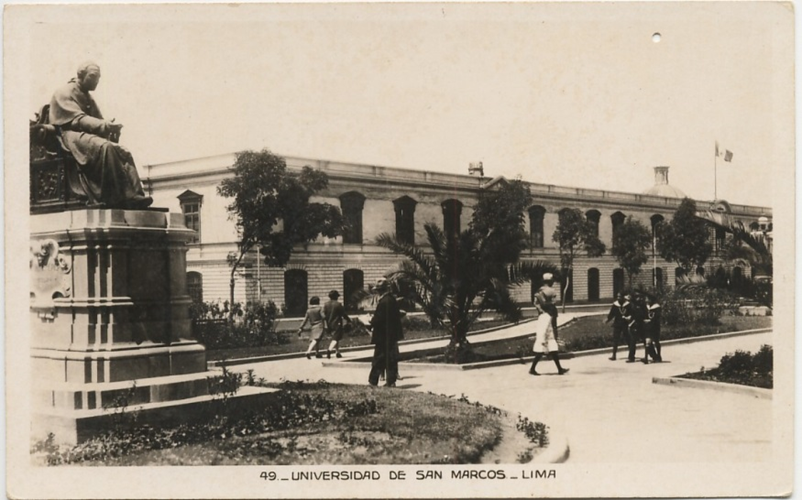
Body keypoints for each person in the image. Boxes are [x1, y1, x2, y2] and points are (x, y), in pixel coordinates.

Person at [49, 62, 152, 209]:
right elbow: (79, 119)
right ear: (81, 75)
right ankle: (116, 197)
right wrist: (104, 125)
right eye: (92, 76)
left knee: (124, 152)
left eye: (98, 77)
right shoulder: (64, 92)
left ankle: (135, 195)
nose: (96, 80)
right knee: (106, 148)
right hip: (68, 135)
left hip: (84, 134)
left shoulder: (87, 96)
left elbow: (98, 120)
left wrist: (109, 128)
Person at [528, 273, 569, 376]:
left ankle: (559, 369)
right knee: (546, 341)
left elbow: (536, 303)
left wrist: (541, 310)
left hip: (542, 317)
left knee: (548, 343)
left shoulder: (538, 292)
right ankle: (533, 369)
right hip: (549, 318)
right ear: (550, 281)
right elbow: (553, 303)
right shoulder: (552, 291)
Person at [368, 278, 403, 387]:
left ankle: (373, 381)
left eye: (378, 290)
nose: (377, 293)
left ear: (380, 291)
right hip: (391, 335)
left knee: (378, 358)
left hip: (383, 335)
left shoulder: (383, 302)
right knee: (391, 359)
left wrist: (370, 321)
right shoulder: (392, 300)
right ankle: (391, 381)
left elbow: (379, 319)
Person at [323, 290, 351, 359]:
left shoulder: (326, 304)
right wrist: (348, 320)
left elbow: (324, 314)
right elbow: (343, 314)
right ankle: (329, 350)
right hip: (337, 323)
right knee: (336, 338)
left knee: (335, 337)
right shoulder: (338, 304)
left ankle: (337, 352)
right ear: (336, 297)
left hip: (329, 323)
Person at [606, 292, 631, 361]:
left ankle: (631, 355)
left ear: (623, 297)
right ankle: (614, 355)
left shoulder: (628, 305)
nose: (618, 298)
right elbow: (612, 314)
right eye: (617, 297)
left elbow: (631, 313)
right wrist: (608, 319)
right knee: (615, 339)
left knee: (627, 339)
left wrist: (629, 318)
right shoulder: (615, 305)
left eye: (620, 297)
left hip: (625, 324)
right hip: (617, 324)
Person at [644, 295, 663, 362]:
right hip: (648, 326)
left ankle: (659, 356)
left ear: (651, 299)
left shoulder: (657, 307)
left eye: (647, 298)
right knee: (647, 341)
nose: (646, 300)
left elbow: (657, 317)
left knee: (656, 341)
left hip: (655, 326)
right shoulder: (647, 307)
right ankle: (646, 358)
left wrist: (650, 321)